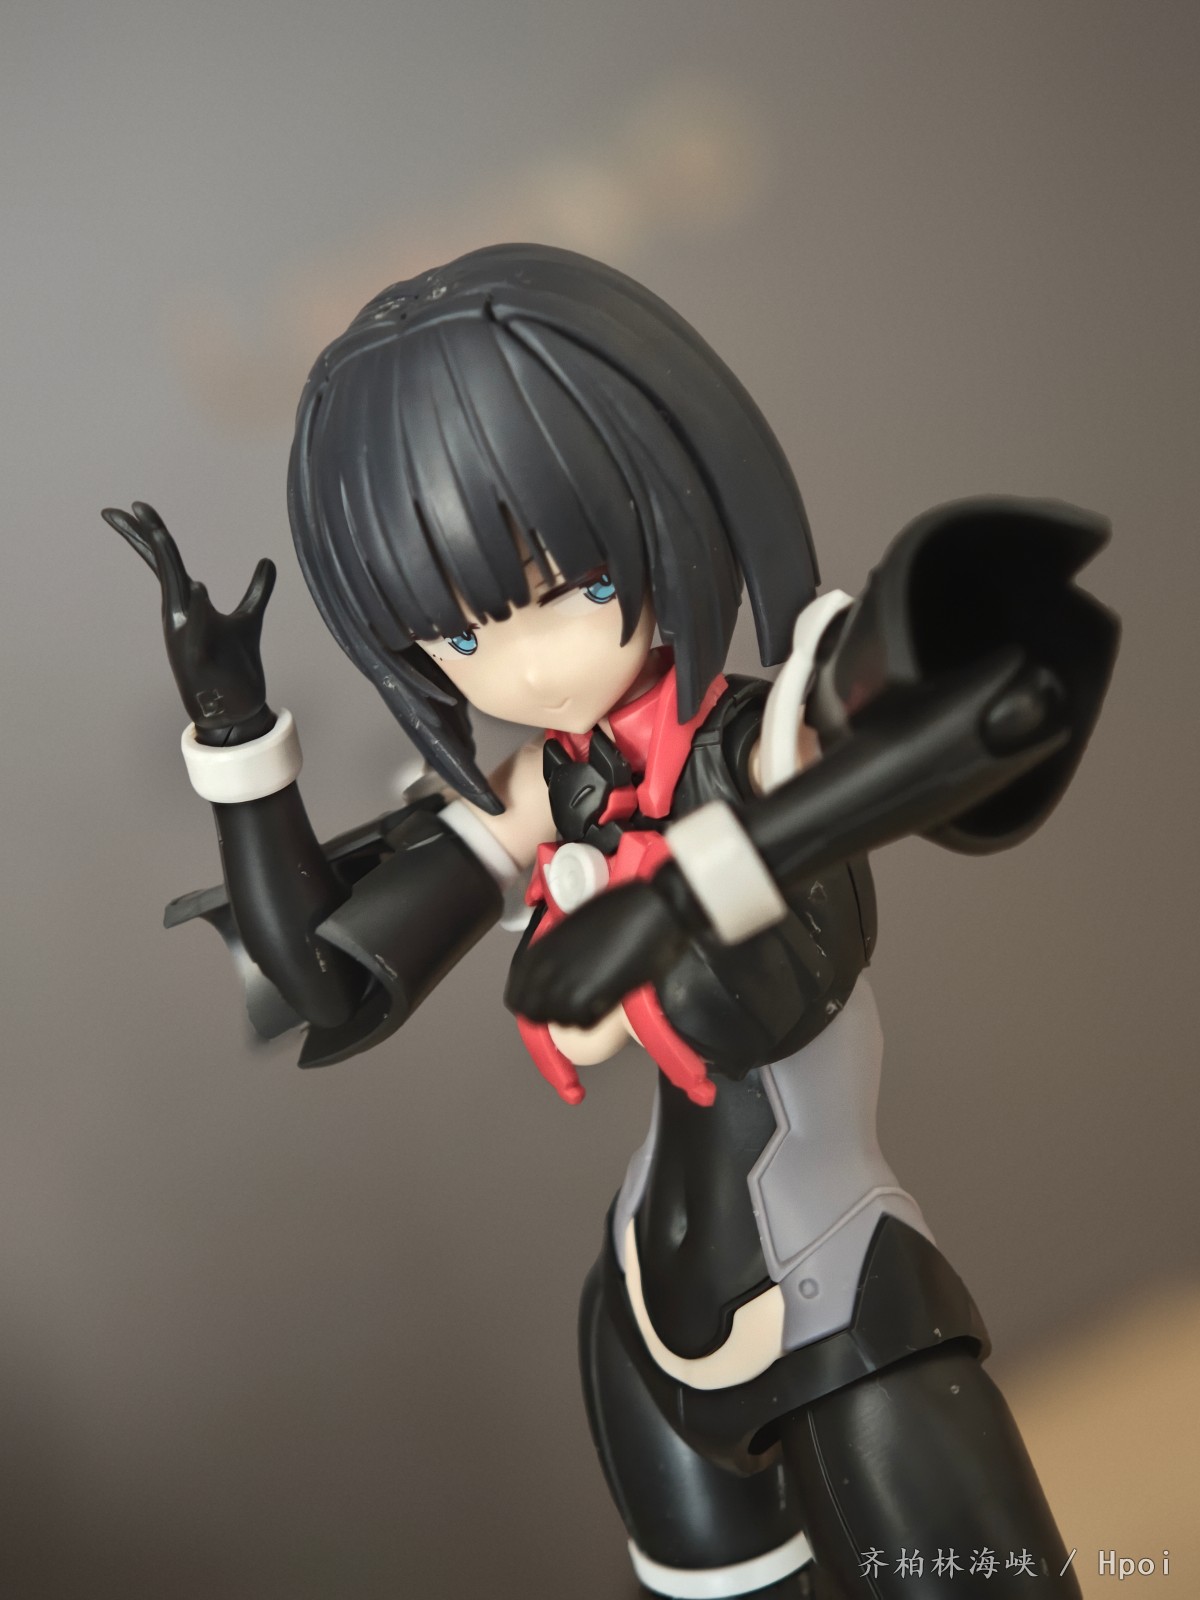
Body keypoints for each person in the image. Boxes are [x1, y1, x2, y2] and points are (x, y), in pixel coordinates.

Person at [105, 243, 1118, 1599]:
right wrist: (238, 743)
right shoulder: (550, 784)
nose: (526, 667)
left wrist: (686, 893)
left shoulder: (759, 743)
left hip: (840, 1314)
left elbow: (991, 707)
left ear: (667, 507)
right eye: (461, 639)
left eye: (573, 588)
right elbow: (327, 985)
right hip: (642, 1311)